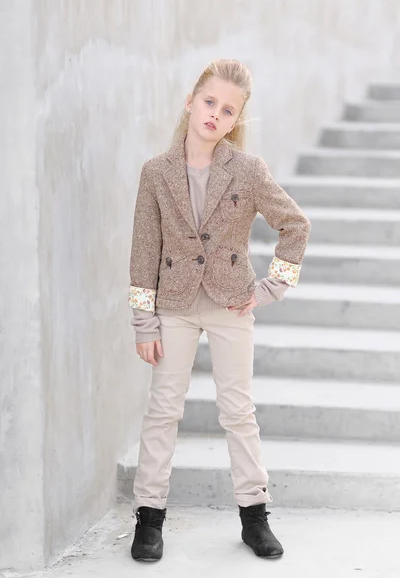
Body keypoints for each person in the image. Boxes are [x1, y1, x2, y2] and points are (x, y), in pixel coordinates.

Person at [128, 58, 311, 562]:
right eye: (209, 102)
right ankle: (149, 517)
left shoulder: (248, 171)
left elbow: (296, 225)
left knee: (238, 411)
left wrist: (273, 287)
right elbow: (144, 250)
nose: (215, 114)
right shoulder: (156, 173)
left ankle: (255, 515)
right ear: (191, 102)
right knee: (164, 409)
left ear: (236, 121)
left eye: (228, 110)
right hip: (175, 306)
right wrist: (144, 321)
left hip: (232, 303)